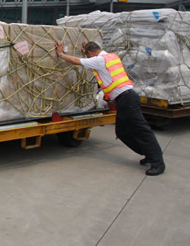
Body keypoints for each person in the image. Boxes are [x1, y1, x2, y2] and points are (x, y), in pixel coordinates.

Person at [54, 40, 166, 176]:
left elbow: (76, 61)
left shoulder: (99, 60)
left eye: (89, 55)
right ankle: (149, 153)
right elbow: (93, 59)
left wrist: (60, 54)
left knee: (142, 131)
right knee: (122, 132)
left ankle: (157, 162)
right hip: (126, 98)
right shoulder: (111, 56)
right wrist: (88, 53)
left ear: (90, 53)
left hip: (127, 99)